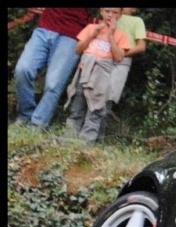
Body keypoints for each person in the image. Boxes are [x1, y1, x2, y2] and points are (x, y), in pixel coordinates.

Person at [13, 8, 93, 129]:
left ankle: (37, 124)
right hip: (44, 28)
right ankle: (25, 115)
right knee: (22, 70)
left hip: (72, 34)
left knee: (54, 84)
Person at [64, 8, 131, 143]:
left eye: (115, 13)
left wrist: (111, 36)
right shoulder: (91, 28)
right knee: (77, 107)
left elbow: (118, 57)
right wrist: (92, 35)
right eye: (107, 11)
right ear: (101, 12)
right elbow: (78, 49)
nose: (110, 15)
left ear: (120, 15)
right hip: (84, 73)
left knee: (95, 110)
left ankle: (86, 142)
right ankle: (69, 139)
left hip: (102, 77)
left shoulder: (122, 35)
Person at [100, 7, 147, 140]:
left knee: (108, 97)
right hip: (101, 56)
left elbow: (141, 46)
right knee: (94, 93)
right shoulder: (110, 14)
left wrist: (121, 54)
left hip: (121, 62)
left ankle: (98, 137)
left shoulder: (137, 21)